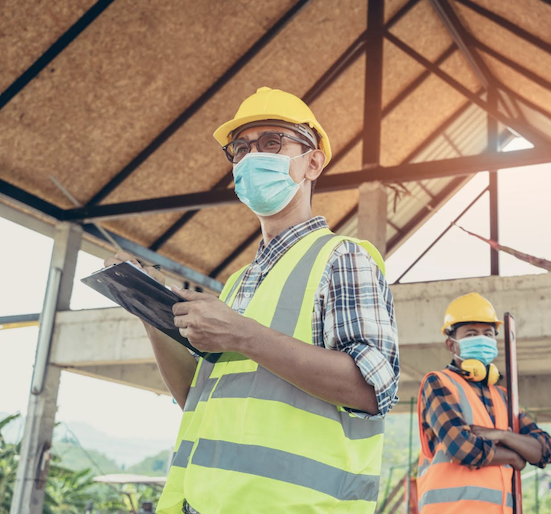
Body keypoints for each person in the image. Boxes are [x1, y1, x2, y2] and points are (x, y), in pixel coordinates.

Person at [103, 87, 399, 514]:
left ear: (313, 162)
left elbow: (374, 389)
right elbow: (197, 398)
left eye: (272, 142)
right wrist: (150, 312)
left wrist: (243, 335)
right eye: (240, 148)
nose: (251, 157)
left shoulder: (342, 259)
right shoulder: (240, 283)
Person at [416, 292, 551, 513]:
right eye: (471, 333)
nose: (482, 339)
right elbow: (462, 448)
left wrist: (502, 435)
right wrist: (513, 455)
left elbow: (545, 450)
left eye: (488, 333)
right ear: (451, 345)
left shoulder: (503, 396)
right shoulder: (439, 383)